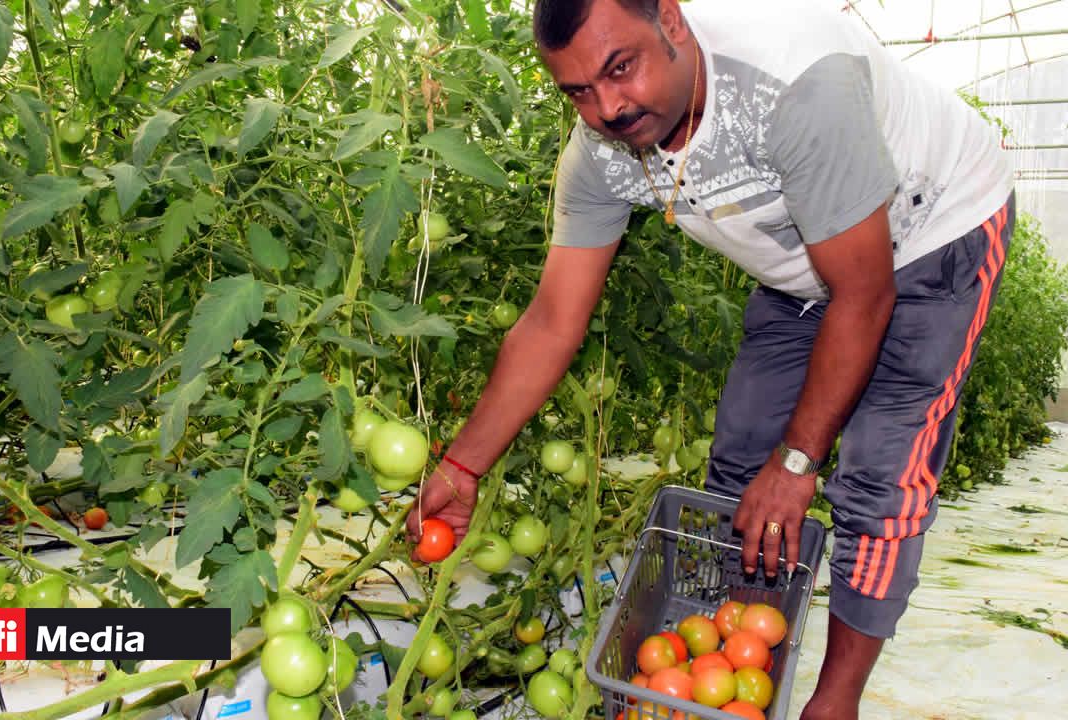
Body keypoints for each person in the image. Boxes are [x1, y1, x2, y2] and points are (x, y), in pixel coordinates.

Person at [407, 0, 1014, 716]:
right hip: (803, 265)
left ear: (671, 19)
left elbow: (865, 296)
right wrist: (463, 465)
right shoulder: (600, 151)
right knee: (738, 464)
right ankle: (740, 650)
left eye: (619, 68)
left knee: (879, 478)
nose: (607, 107)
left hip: (928, 236)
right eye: (577, 91)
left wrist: (799, 463)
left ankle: (834, 700)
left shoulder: (793, 82)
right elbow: (549, 324)